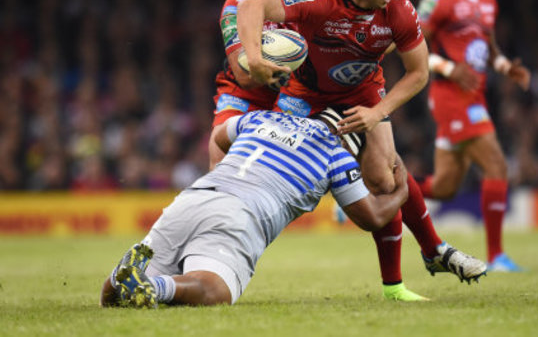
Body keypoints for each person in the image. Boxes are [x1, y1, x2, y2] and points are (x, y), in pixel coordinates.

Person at [235, 0, 486, 300]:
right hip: (304, 97)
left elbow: (419, 73)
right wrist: (254, 59)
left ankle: (403, 279)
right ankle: (228, 244)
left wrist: (378, 112)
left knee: (385, 177)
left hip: (363, 94)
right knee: (276, 178)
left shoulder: (399, 9)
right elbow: (250, 7)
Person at [101, 109, 432, 307]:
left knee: (113, 296)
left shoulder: (263, 118)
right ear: (351, 141)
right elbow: (372, 217)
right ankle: (154, 287)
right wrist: (402, 192)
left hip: (194, 197)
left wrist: (222, 171)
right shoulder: (336, 153)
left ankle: (125, 281)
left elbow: (218, 135)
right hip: (240, 214)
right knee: (216, 289)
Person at [415, 0, 531, 272]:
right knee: (496, 164)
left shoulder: (488, 0)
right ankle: (496, 256)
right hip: (451, 96)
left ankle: (376, 193)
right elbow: (416, 48)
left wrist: (505, 66)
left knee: (445, 186)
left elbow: (487, 49)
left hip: (474, 94)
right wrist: (449, 69)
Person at [209, 0, 319, 169]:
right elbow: (243, 76)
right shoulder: (236, 5)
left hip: (301, 91)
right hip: (247, 92)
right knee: (219, 153)